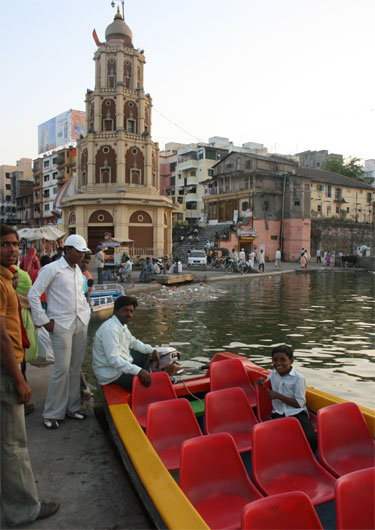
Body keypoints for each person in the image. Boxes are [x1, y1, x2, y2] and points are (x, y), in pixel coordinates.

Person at [0, 224, 60, 526]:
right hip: (6, 369)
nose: (13, 250)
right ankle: (24, 509)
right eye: (5, 245)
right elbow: (2, 337)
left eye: (15, 244)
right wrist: (20, 378)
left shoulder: (7, 279)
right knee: (14, 445)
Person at [28, 234, 91, 430]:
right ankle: (53, 412)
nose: (82, 255)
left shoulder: (76, 271)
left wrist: (87, 313)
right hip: (61, 324)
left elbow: (79, 295)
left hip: (80, 321)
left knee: (75, 367)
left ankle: (72, 407)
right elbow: (33, 294)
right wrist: (44, 322)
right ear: (67, 250)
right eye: (79, 251)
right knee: (61, 369)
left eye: (83, 252)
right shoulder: (52, 269)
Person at [255, 345, 317, 452]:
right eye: (275, 360)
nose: (278, 364)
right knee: (273, 439)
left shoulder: (298, 378)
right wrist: (260, 381)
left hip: (297, 413)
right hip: (278, 413)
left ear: (291, 361)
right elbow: (265, 380)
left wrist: (278, 396)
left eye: (283, 360)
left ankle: (309, 457)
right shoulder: (273, 374)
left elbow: (299, 403)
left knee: (310, 438)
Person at [92, 295, 160, 390]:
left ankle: (139, 380)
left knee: (146, 355)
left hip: (118, 367)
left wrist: (152, 350)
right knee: (152, 384)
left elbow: (134, 343)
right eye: (125, 310)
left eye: (131, 311)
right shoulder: (110, 329)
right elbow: (114, 359)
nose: (129, 314)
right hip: (111, 374)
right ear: (115, 311)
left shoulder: (121, 325)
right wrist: (139, 371)